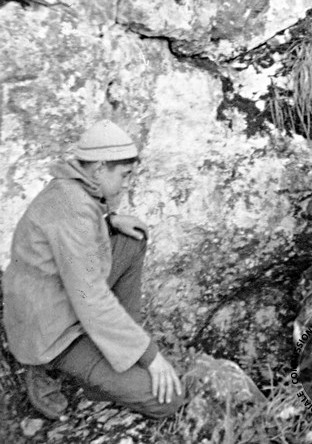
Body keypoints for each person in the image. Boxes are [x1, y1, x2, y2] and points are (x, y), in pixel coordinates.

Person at [2, 119, 184, 420]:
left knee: (131, 241)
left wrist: (109, 223)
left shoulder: (74, 187)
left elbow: (72, 239)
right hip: (51, 329)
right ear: (99, 168)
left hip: (62, 296)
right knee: (169, 400)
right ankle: (44, 366)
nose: (128, 183)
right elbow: (91, 298)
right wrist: (151, 357)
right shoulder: (72, 206)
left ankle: (125, 345)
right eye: (124, 174)